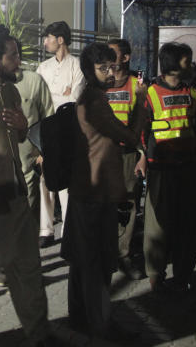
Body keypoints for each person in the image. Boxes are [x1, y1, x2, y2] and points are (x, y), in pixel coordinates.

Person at [0, 27, 52, 345]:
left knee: (29, 270)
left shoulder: (12, 91)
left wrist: (23, 127)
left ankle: (39, 334)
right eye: (12, 56)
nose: (19, 61)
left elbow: (17, 138)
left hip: (17, 196)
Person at [63, 43, 138, 338]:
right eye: (103, 68)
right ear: (88, 70)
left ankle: (80, 317)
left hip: (88, 190)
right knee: (97, 260)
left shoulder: (90, 97)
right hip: (95, 192)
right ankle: (99, 322)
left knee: (84, 259)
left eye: (112, 66)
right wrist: (142, 106)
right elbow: (128, 135)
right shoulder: (95, 101)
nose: (110, 72)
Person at [135, 41, 196, 294]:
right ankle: (156, 277)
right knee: (157, 226)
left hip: (188, 169)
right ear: (174, 64)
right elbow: (142, 129)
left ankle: (183, 275)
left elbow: (194, 124)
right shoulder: (150, 93)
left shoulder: (192, 92)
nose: (191, 65)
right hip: (161, 169)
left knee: (186, 226)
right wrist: (142, 155)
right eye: (187, 60)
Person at [35, 21, 84, 247]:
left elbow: (74, 99)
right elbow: (38, 100)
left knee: (65, 181)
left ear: (60, 39)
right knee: (45, 179)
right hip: (45, 129)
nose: (45, 42)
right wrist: (60, 95)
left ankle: (67, 230)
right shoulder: (42, 68)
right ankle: (46, 229)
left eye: (49, 37)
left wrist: (54, 97)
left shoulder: (77, 65)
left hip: (67, 131)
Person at [105, 38, 147, 280]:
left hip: (128, 154)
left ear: (126, 58)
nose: (108, 59)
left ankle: (124, 255)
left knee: (129, 205)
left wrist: (142, 155)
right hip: (103, 155)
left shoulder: (137, 85)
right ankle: (106, 253)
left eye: (113, 54)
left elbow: (145, 123)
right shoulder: (100, 84)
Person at [14, 56, 55, 217]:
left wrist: (44, 153)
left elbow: (48, 117)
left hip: (28, 166)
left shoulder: (33, 81)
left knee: (27, 218)